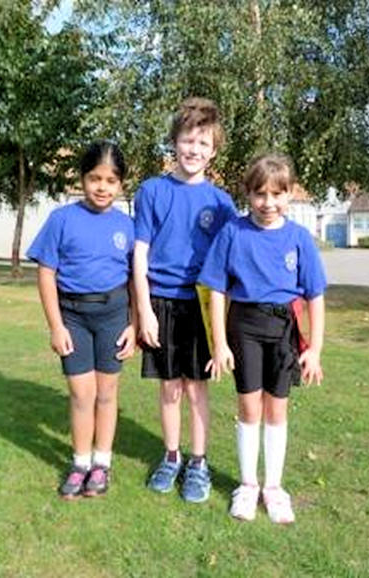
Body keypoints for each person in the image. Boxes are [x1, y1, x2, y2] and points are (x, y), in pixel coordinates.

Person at [198, 153, 327, 523]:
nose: (268, 203)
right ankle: (247, 485)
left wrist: (314, 349)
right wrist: (219, 343)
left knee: (277, 408)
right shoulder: (232, 233)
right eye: (260, 195)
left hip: (283, 329)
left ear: (290, 194)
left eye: (277, 194)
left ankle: (273, 487)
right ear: (248, 195)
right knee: (249, 406)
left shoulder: (300, 239)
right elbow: (218, 290)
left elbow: (315, 295)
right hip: (244, 326)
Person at [134, 97, 237, 503]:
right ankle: (171, 456)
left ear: (213, 150)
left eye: (203, 143)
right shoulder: (152, 191)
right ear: (174, 142)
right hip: (160, 301)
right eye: (187, 140)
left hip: (201, 305)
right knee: (169, 389)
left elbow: (232, 264)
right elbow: (139, 254)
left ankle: (198, 462)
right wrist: (144, 310)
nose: (194, 150)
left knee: (197, 390)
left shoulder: (222, 203)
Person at [26, 141, 137, 500]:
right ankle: (79, 463)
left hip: (114, 316)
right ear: (81, 179)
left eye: (111, 180)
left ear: (121, 184)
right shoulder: (62, 219)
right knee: (80, 394)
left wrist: (134, 325)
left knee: (106, 394)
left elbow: (137, 278)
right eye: (94, 178)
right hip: (72, 315)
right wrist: (56, 326)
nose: (102, 187)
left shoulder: (128, 226)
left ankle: (101, 465)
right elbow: (46, 274)